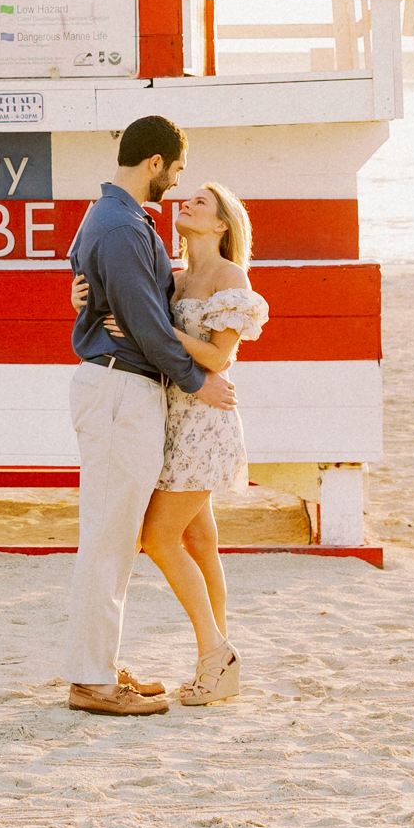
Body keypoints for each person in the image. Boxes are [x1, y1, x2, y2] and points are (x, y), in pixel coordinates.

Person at [62, 115, 239, 717]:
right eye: (179, 168)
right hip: (119, 390)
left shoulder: (115, 219)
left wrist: (87, 298)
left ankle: (100, 666)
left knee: (118, 536)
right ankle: (91, 680)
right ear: (156, 162)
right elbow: (148, 326)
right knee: (111, 540)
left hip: (123, 391)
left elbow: (82, 269)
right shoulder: (121, 227)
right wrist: (198, 380)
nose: (180, 183)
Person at [78, 180, 269, 706]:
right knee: (200, 542)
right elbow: (126, 295)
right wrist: (84, 294)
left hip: (205, 423)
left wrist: (148, 331)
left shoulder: (231, 276)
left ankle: (217, 655)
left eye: (200, 203)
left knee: (158, 537)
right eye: (185, 199)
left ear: (221, 224)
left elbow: (218, 359)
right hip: (171, 419)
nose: (185, 204)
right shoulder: (174, 276)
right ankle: (218, 658)